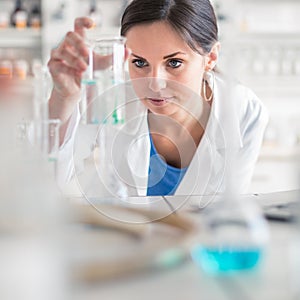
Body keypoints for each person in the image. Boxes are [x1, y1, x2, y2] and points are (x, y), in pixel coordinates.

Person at [47, 0, 268, 197]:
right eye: (140, 63)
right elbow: (48, 183)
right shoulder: (112, 99)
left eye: (174, 63)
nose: (154, 84)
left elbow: (228, 209)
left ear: (210, 58)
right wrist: (63, 98)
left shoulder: (244, 111)